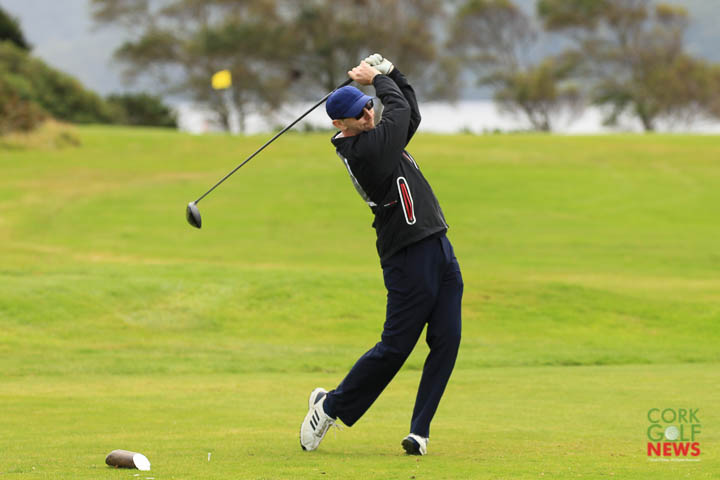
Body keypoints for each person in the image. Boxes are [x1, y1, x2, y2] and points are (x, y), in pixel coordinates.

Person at [299, 54, 463, 456]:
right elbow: (399, 110)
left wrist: (392, 74)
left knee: (448, 338)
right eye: (359, 114)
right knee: (395, 348)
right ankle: (330, 407)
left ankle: (419, 432)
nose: (369, 114)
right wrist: (377, 78)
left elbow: (410, 113)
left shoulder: (379, 137)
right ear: (340, 125)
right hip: (407, 256)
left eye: (369, 106)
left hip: (438, 246)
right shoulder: (363, 151)